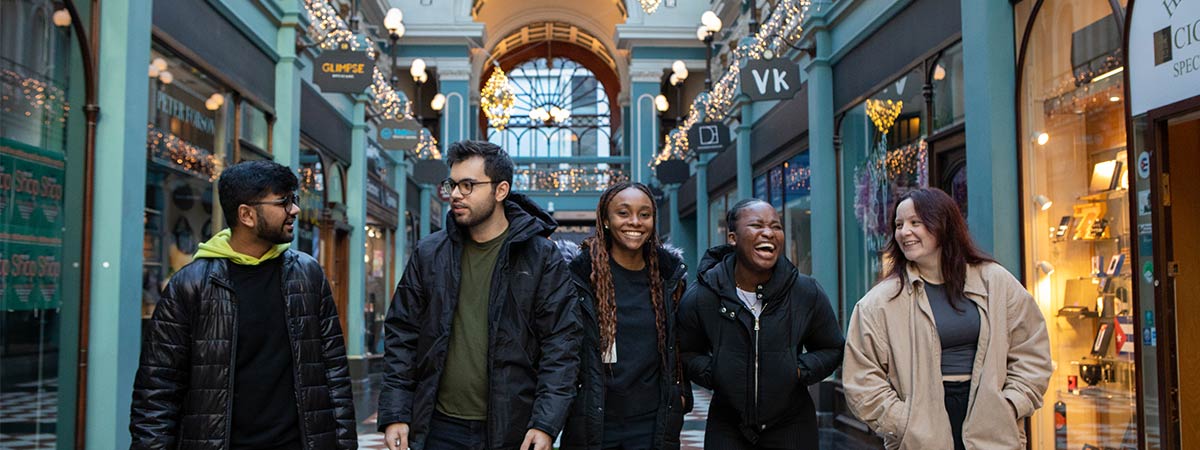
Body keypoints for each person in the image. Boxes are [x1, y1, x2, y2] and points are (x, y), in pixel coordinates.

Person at [130, 160, 356, 449]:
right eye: (284, 202)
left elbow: (334, 372)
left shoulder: (308, 275)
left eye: (294, 200)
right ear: (246, 215)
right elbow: (158, 390)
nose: (295, 210)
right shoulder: (191, 285)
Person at [377, 140, 580, 450]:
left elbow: (561, 344)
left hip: (513, 427)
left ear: (500, 191)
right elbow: (402, 333)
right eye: (453, 184)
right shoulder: (430, 253)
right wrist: (395, 412)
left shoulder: (540, 256)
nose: (456, 194)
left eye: (468, 185)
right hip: (438, 426)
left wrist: (545, 422)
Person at [842, 188, 1052, 450]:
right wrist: (904, 422)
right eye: (898, 225)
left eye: (915, 222)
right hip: (921, 432)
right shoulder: (879, 303)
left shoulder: (995, 281)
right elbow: (861, 378)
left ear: (943, 224)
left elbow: (1032, 348)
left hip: (992, 423)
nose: (904, 232)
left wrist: (1010, 404)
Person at [678, 199, 844, 449]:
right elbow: (685, 349)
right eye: (756, 225)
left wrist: (798, 370)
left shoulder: (805, 292)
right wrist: (715, 373)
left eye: (776, 226)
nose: (768, 232)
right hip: (727, 425)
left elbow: (832, 348)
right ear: (732, 238)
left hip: (792, 424)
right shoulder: (703, 294)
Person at [560, 182, 691, 450]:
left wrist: (682, 394)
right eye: (623, 213)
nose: (635, 222)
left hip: (652, 422)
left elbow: (684, 343)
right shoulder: (580, 278)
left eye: (645, 214)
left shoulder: (669, 278)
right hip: (593, 419)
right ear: (606, 220)